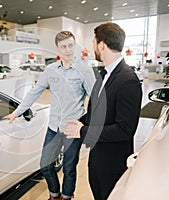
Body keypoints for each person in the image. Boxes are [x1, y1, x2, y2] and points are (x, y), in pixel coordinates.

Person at [3, 31, 95, 200]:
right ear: (57, 48)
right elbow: (34, 92)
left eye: (70, 45)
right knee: (45, 165)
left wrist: (86, 125)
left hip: (72, 128)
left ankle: (67, 197)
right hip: (54, 126)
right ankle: (54, 194)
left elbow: (95, 98)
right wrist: (16, 113)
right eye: (63, 46)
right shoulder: (51, 70)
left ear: (74, 45)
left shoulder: (84, 69)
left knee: (69, 168)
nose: (68, 50)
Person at [64, 22, 142, 200]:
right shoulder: (103, 74)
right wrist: (81, 121)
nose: (92, 48)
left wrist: (82, 131)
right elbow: (98, 111)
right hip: (98, 159)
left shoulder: (127, 80)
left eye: (93, 43)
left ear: (102, 45)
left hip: (112, 165)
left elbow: (125, 129)